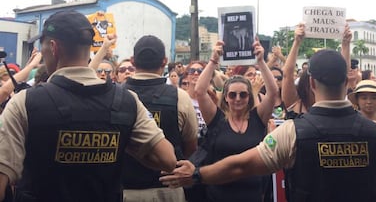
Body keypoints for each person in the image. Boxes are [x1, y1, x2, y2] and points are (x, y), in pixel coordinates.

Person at [160, 49, 376, 202]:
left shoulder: (292, 133)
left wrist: (196, 174)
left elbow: (241, 165)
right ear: (348, 84)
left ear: (311, 83)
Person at [0, 10, 177, 202]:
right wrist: (122, 142)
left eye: (42, 48)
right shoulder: (127, 101)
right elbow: (167, 160)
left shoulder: (24, 103)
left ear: (53, 47)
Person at [178, 37, 277, 202]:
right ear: (225, 98)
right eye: (232, 94)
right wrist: (213, 60)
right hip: (218, 195)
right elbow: (200, 90)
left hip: (252, 195)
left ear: (249, 97)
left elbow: (273, 93)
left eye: (243, 94)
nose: (238, 99)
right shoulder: (217, 120)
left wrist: (261, 62)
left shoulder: (257, 118)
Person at [122, 35, 198, 202]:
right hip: (168, 190)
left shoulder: (115, 96)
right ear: (164, 61)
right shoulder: (180, 97)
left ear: (133, 61)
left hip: (125, 190)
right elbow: (191, 146)